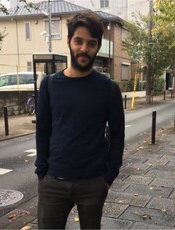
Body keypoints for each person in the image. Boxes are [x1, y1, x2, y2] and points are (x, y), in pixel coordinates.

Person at [35, 12, 125, 229]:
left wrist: (109, 176)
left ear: (97, 46)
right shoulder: (49, 85)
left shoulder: (109, 89)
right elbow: (43, 130)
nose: (84, 48)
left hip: (93, 183)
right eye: (78, 41)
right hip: (53, 182)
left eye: (91, 43)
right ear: (68, 41)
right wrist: (42, 171)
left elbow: (117, 135)